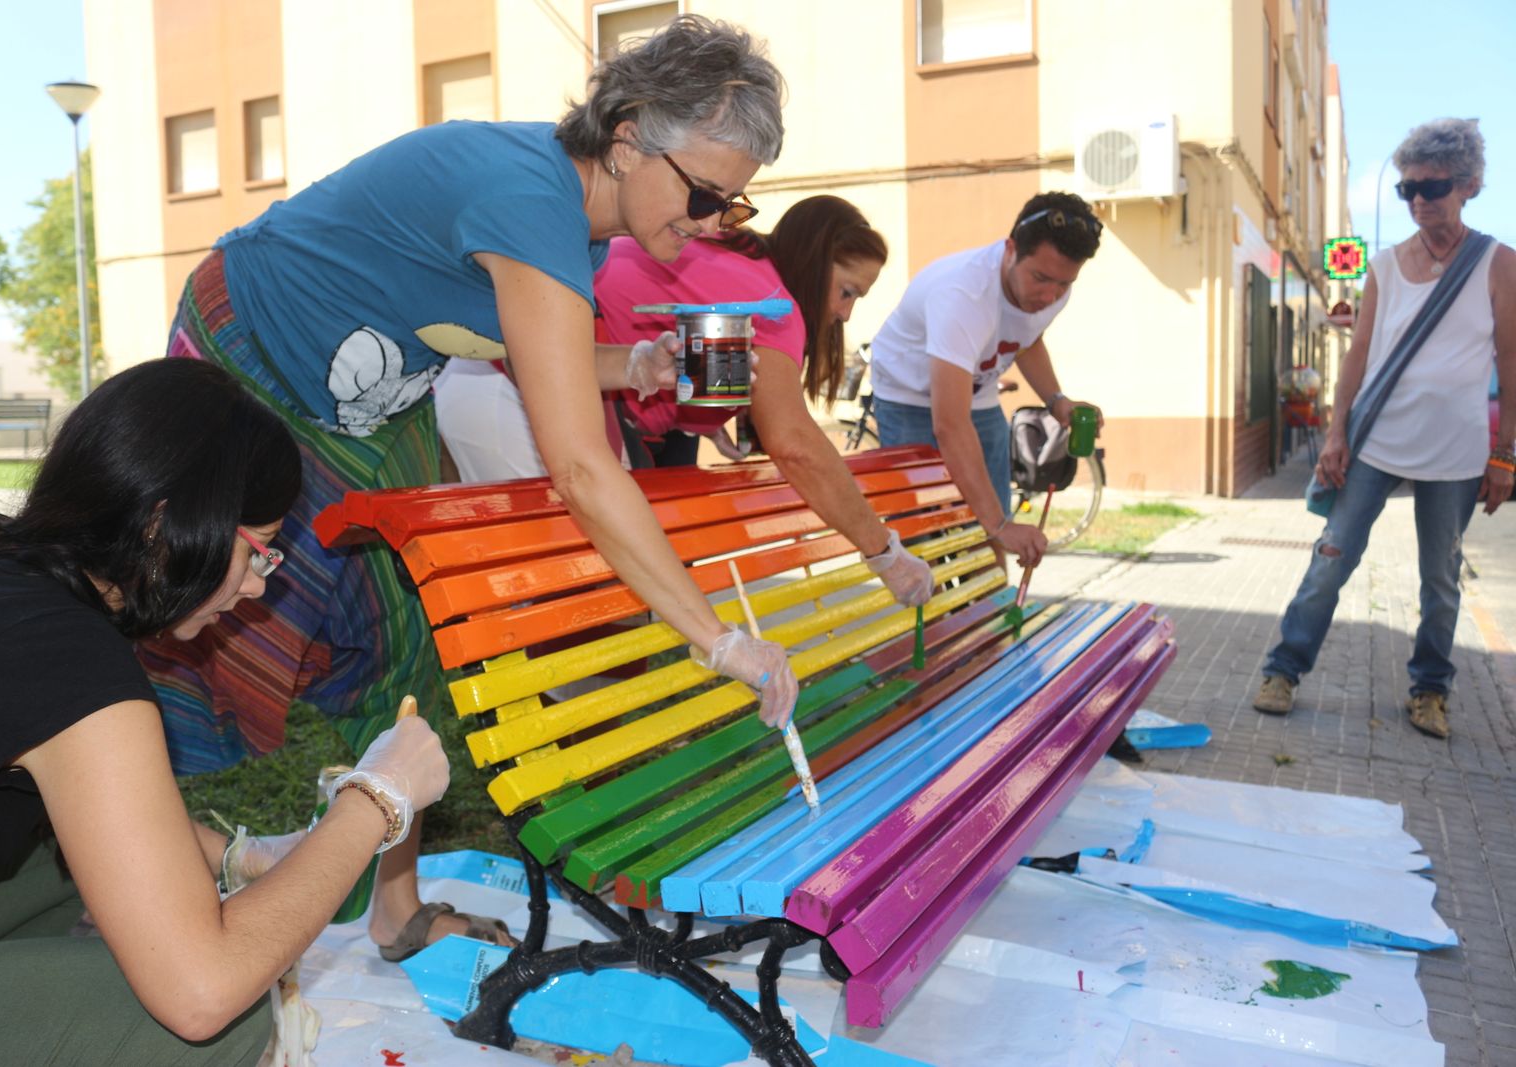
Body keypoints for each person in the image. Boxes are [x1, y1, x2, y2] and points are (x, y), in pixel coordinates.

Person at [139, 15, 799, 963]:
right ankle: (116, 845)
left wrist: (632, 364)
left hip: (369, 393)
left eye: (729, 209)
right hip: (258, 357)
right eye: (702, 194)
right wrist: (717, 636)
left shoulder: (581, 234)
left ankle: (395, 908)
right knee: (177, 602)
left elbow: (515, 346)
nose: (706, 223)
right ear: (626, 137)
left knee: (408, 631)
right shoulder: (529, 197)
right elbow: (579, 466)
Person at [0, 359, 453, 1065]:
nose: (259, 586)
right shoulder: (70, 669)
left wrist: (242, 857)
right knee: (222, 1015)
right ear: (166, 524)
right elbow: (201, 993)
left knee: (79, 870)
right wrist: (377, 798)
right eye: (258, 550)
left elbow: (99, 803)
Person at [437, 195, 933, 608]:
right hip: (506, 387)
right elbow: (796, 446)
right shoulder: (773, 303)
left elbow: (660, 345)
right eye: (846, 291)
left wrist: (705, 419)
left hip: (510, 380)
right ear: (817, 258)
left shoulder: (739, 262)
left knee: (598, 584)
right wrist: (884, 551)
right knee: (582, 584)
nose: (844, 313)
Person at [1254, 118, 1516, 739]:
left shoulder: (1499, 264)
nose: (1421, 201)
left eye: (1434, 187)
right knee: (1331, 560)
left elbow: (1511, 364)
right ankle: (1283, 670)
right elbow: (1359, 357)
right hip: (1377, 444)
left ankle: (1430, 691)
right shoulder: (1387, 268)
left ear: (1471, 185)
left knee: (1441, 579)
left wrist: (1506, 454)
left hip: (1456, 454)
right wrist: (1336, 435)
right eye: (1408, 190)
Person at [869, 191, 1105, 570]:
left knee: (988, 528)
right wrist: (999, 525)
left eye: (1063, 284)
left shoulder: (1053, 288)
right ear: (1010, 249)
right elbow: (949, 425)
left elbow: (1027, 341)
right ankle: (925, 623)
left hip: (976, 396)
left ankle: (987, 619)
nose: (1050, 295)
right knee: (920, 532)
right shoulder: (963, 295)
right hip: (908, 396)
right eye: (1041, 278)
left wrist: (1057, 400)